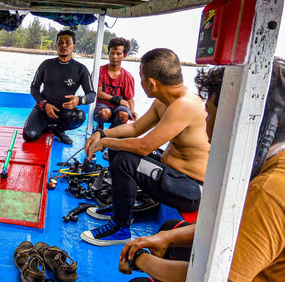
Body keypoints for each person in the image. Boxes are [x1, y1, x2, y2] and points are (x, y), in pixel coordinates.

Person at [118, 57, 285, 282]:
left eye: (209, 115)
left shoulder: (268, 191)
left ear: (246, 122)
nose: (206, 126)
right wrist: (165, 238)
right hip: (268, 271)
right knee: (170, 231)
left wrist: (140, 259)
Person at [81, 48, 210, 246]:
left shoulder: (185, 105)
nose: (140, 82)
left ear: (151, 83)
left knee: (126, 160)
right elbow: (133, 128)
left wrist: (105, 143)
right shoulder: (164, 101)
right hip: (173, 173)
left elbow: (143, 146)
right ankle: (120, 207)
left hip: (190, 189)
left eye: (141, 77)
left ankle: (120, 228)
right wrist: (102, 134)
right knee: (120, 148)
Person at [23, 29, 96, 145]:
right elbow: (34, 88)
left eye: (68, 42)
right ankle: (47, 126)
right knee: (29, 135)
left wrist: (79, 100)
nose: (64, 45)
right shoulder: (46, 65)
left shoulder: (81, 69)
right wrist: (44, 104)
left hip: (64, 112)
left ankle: (59, 130)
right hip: (43, 110)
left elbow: (92, 94)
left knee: (80, 116)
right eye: (60, 43)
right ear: (56, 46)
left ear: (74, 46)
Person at [95, 37, 137, 130]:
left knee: (124, 115)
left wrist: (132, 110)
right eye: (112, 53)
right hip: (101, 107)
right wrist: (117, 100)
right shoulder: (99, 71)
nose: (114, 57)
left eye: (118, 54)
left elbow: (129, 98)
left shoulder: (128, 77)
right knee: (105, 112)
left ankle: (108, 133)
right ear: (108, 53)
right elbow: (97, 92)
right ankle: (99, 127)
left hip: (117, 108)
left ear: (125, 55)